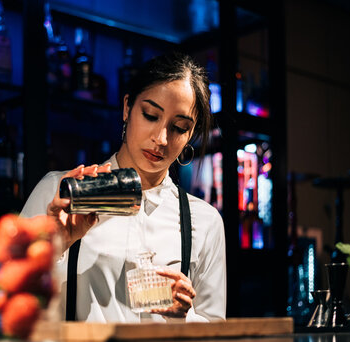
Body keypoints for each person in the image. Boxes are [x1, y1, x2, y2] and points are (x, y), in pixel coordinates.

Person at [21, 52, 226, 323]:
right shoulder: (59, 191)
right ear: (127, 107)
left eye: (178, 127)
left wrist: (182, 316)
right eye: (151, 115)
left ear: (191, 134)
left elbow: (215, 336)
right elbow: (8, 305)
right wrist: (54, 247)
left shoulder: (205, 221)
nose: (161, 139)